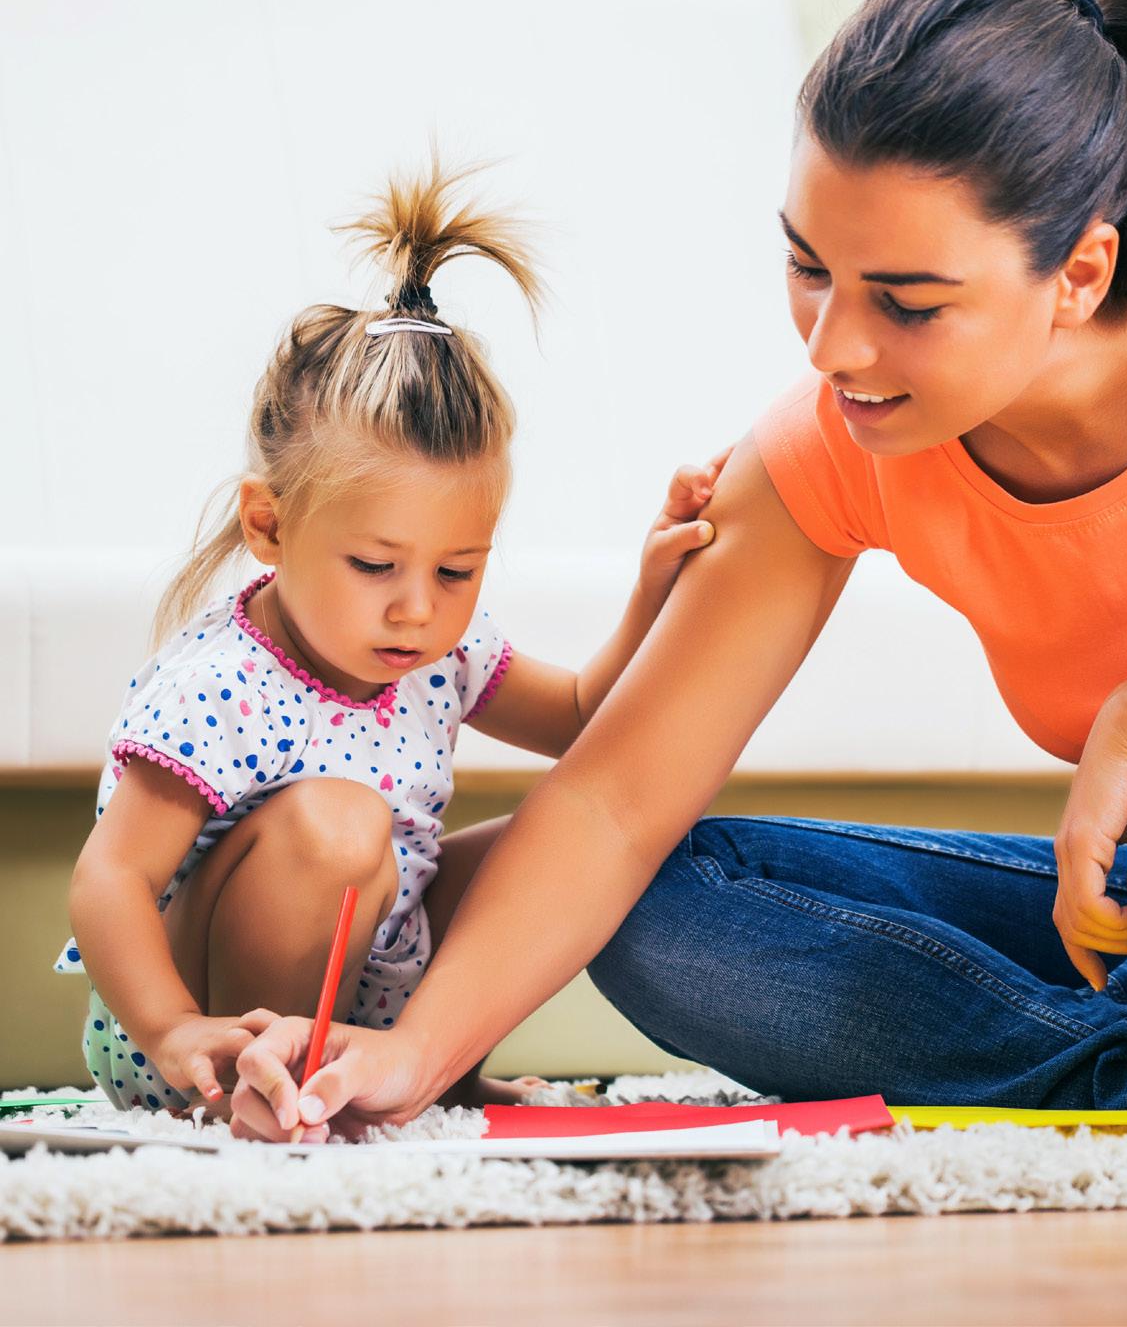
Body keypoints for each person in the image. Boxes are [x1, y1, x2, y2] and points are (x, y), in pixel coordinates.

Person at [230, 0, 1127, 1143]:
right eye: (808, 268)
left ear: (1080, 272)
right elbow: (613, 801)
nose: (831, 349)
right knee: (661, 910)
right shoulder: (836, 439)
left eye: (907, 303)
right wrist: (413, 1055)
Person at [55, 160, 726, 1119]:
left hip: (371, 969)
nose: (418, 609)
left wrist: (655, 592)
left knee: (548, 841)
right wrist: (171, 1031)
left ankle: (433, 1067)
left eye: (457, 571)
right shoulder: (220, 685)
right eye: (376, 566)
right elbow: (110, 877)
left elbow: (585, 717)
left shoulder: (442, 654)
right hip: (199, 1026)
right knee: (340, 826)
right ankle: (260, 1085)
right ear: (270, 526)